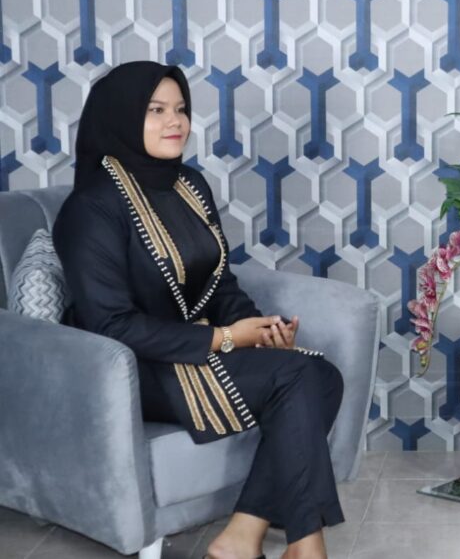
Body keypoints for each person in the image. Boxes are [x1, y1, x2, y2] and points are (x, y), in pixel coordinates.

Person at [53, 61, 344, 559]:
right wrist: (227, 339)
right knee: (298, 377)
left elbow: (217, 281)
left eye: (181, 109)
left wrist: (262, 330)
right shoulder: (92, 207)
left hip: (190, 344)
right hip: (125, 368)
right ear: (121, 117)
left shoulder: (188, 185)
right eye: (156, 110)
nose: (176, 121)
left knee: (322, 376)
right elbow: (111, 325)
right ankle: (305, 545)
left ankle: (242, 535)